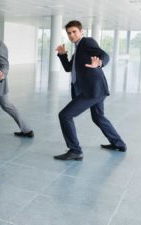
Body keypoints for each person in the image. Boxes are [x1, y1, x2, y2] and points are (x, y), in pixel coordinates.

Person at [54, 20, 127, 161]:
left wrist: (99, 63)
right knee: (98, 117)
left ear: (82, 32)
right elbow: (69, 68)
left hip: (92, 90)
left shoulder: (87, 42)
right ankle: (119, 143)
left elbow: (104, 55)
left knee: (65, 115)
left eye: (74, 32)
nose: (71, 35)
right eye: (69, 33)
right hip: (96, 89)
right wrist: (62, 54)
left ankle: (75, 150)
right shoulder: (78, 48)